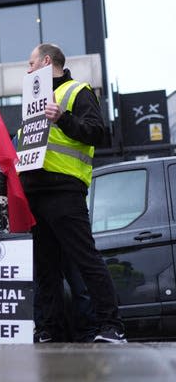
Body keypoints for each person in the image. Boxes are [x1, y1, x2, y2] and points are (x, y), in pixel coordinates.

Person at [21, 43, 126, 343]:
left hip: (65, 190)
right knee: (46, 268)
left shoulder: (77, 91)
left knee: (85, 259)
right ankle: (49, 331)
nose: (28, 71)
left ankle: (112, 327)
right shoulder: (32, 98)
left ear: (45, 61)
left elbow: (96, 132)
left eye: (30, 64)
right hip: (35, 193)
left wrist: (63, 118)